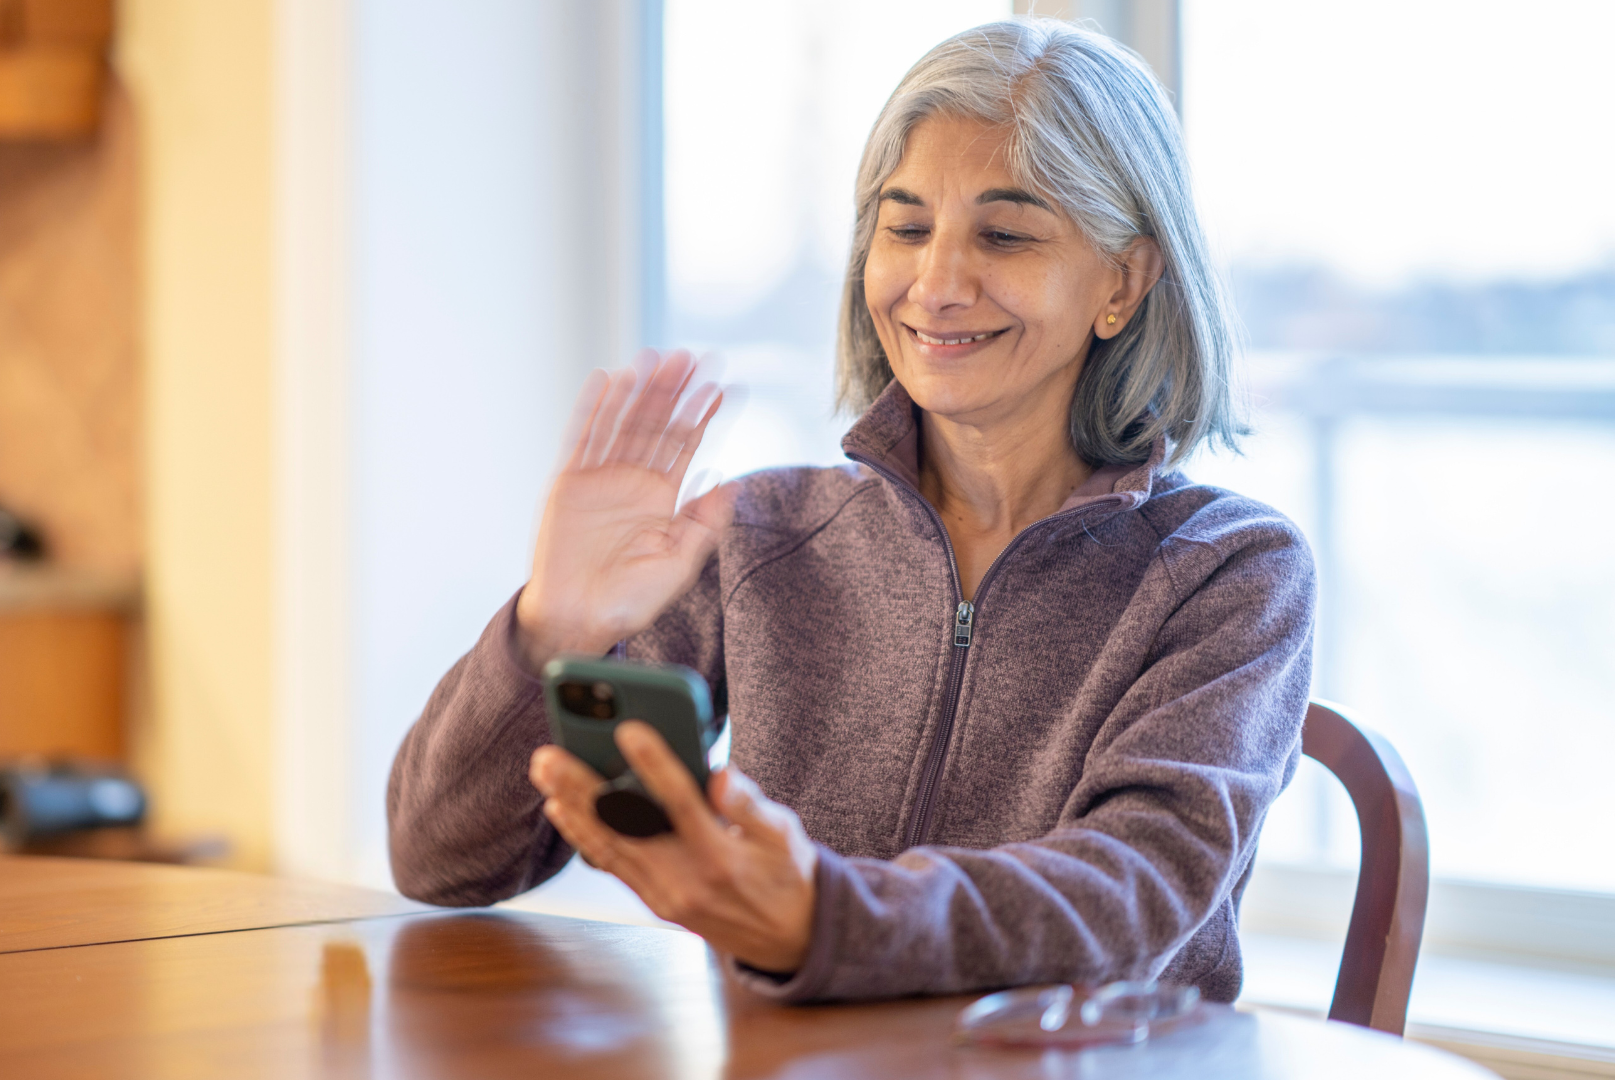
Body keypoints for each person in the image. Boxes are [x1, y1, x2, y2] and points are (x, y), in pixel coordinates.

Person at [387, 17, 1314, 1004]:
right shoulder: (767, 535)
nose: (938, 283)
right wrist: (549, 631)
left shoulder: (1232, 569)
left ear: (1123, 282)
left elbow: (1136, 893)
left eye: (1003, 234)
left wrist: (819, 917)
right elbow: (439, 862)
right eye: (906, 226)